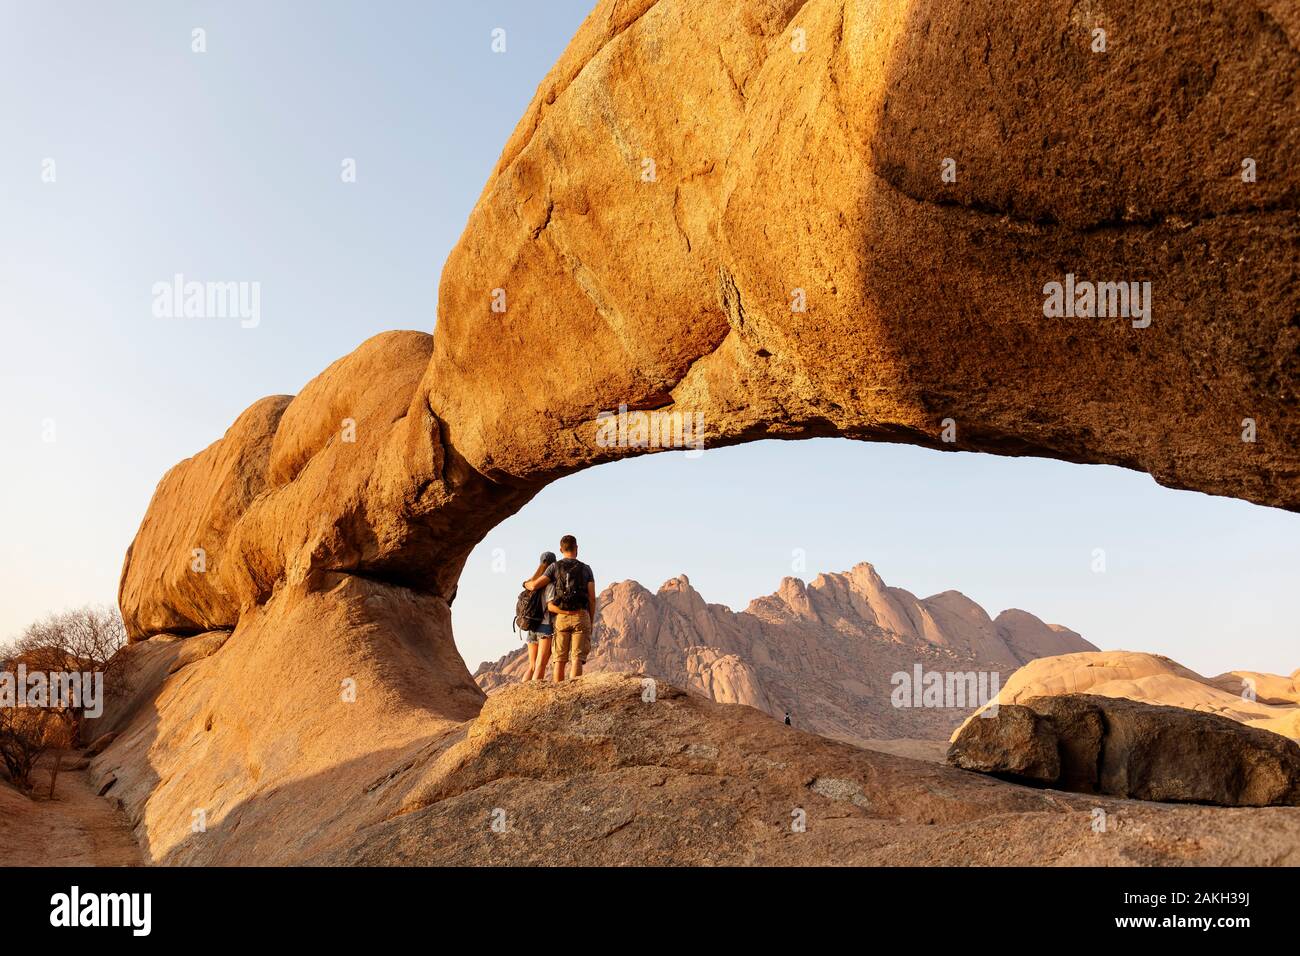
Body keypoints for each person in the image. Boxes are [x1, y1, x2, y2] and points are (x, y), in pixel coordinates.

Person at [524, 534, 596, 682]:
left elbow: (535, 585)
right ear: (576, 548)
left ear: (561, 549)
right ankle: (572, 696)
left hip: (561, 618)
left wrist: (525, 584)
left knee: (559, 660)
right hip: (580, 616)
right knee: (576, 658)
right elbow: (591, 598)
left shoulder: (554, 567)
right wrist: (591, 619)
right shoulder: (586, 569)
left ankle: (559, 696)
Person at [521, 551, 557, 681]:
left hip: (531, 626)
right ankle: (532, 698)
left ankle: (522, 694)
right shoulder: (550, 584)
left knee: (531, 666)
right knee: (540, 665)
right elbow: (550, 607)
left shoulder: (531, 583)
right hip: (545, 626)